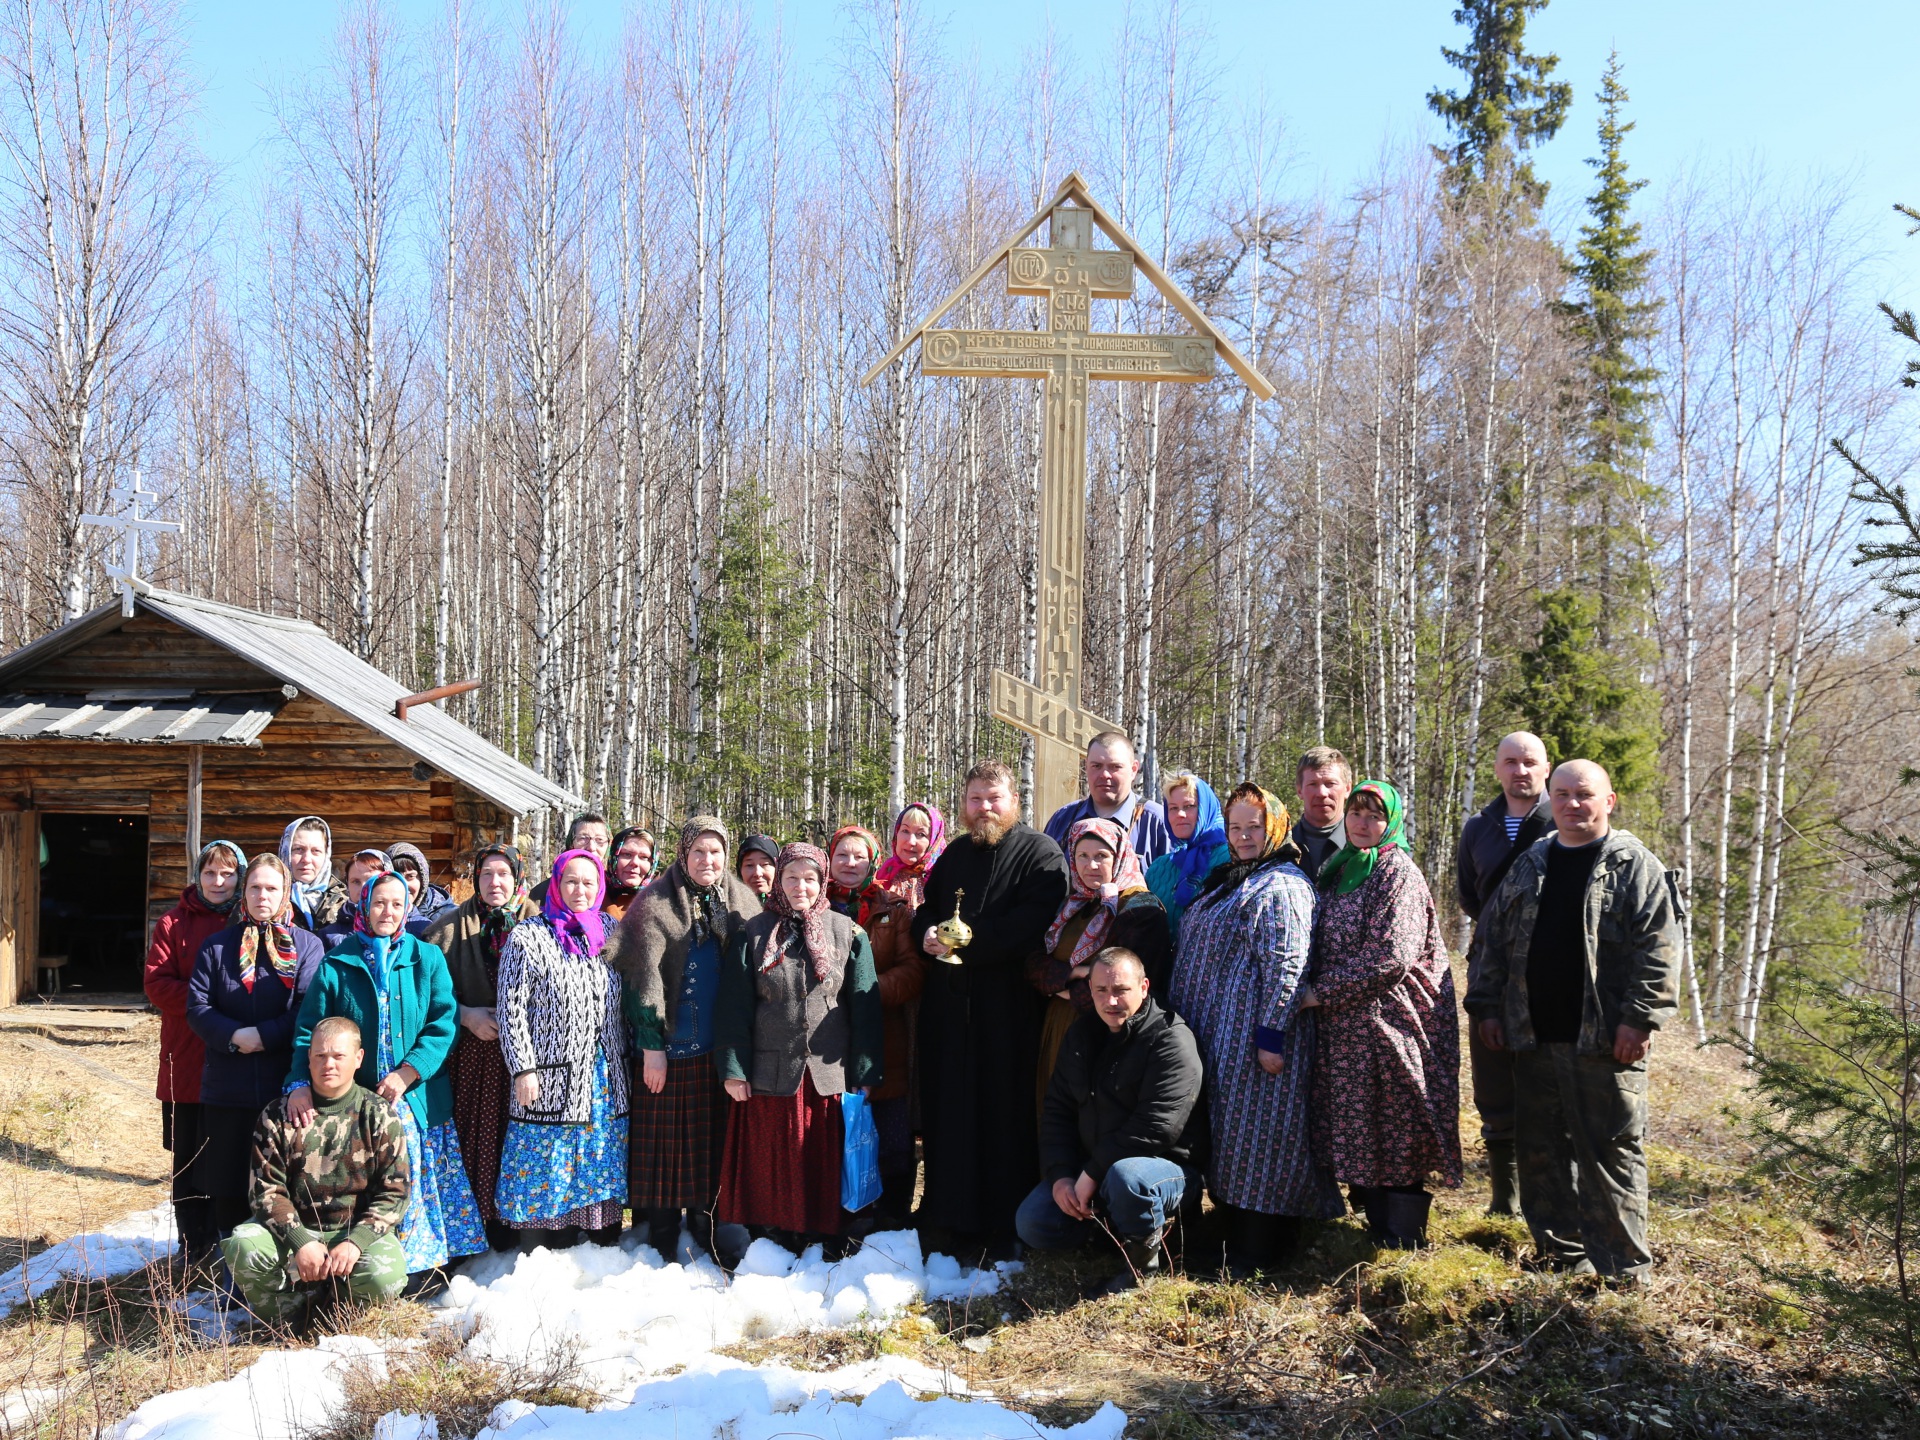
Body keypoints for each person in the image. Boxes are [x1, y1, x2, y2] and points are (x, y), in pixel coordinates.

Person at [1466, 760, 1681, 1280]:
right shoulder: (1532, 863)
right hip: (1532, 1038)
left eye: (1583, 794)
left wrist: (1640, 1020)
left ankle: (1624, 1272)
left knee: (1612, 1155)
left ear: (1609, 800)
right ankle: (1563, 1259)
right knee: (1542, 1156)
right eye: (1561, 794)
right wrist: (1489, 1007)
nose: (1571, 804)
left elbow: (1658, 950)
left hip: (1604, 1043)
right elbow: (1493, 939)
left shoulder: (1634, 866)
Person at [1172, 784, 1342, 1276]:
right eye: (1235, 827)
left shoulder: (1282, 885)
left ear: (1276, 829)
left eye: (1254, 827)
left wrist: (1272, 1037)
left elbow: (1288, 966)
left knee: (1262, 1142)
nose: (1244, 837)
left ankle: (1260, 1249)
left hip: (1258, 1040)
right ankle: (1232, 1235)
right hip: (1220, 1038)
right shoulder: (1232, 878)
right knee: (1231, 1141)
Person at [287, 871, 486, 1286]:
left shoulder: (425, 957)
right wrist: (298, 1083)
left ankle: (425, 1268)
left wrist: (406, 1073)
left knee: (414, 1170)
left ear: (408, 907)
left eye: (397, 904)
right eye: (379, 903)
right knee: (369, 1175)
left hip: (414, 1094)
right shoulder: (339, 962)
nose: (388, 912)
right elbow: (310, 1031)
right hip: (357, 1100)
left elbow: (442, 1023)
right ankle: (371, 1265)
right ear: (364, 904)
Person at [914, 760, 1069, 1258]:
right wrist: (927, 935)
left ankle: (1004, 1226)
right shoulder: (955, 853)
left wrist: (966, 943)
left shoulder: (1040, 853)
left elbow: (1031, 924)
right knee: (951, 1112)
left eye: (993, 798)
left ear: (1013, 802)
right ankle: (949, 1216)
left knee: (1003, 1114)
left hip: (1008, 1013)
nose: (984, 809)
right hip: (950, 1010)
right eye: (975, 798)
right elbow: (928, 906)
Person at [1303, 780, 1462, 1249]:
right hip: (1346, 1025)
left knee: (1396, 1124)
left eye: (1374, 815)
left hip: (1392, 1024)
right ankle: (1374, 1226)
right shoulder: (1341, 868)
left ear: (1390, 821)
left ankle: (1403, 1239)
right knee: (1359, 1124)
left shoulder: (1397, 872)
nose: (1362, 823)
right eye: (1356, 813)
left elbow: (1391, 956)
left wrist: (1320, 992)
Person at [715, 843, 881, 1250]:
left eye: (809, 878)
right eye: (792, 877)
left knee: (821, 1160)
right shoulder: (751, 934)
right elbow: (733, 1009)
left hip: (828, 1074)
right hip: (771, 1075)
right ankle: (773, 1241)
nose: (800, 886)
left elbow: (865, 1008)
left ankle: (826, 1238)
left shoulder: (848, 933)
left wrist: (865, 1071)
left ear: (822, 881)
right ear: (779, 880)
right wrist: (734, 1069)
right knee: (773, 1164)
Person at [611, 817, 762, 1258]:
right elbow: (642, 979)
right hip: (670, 1050)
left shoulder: (740, 900)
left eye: (715, 851)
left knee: (710, 1150)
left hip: (720, 1051)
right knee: (663, 1156)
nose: (707, 860)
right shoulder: (655, 901)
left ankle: (706, 1228)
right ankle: (660, 1243)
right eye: (698, 851)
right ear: (683, 853)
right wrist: (653, 1047)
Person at [1017, 949, 1204, 1293]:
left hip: (1165, 1168)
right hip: (1097, 1168)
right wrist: (1060, 1176)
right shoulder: (1082, 1034)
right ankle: (1107, 1233)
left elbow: (1156, 1127)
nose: (1111, 1000)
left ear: (1144, 987)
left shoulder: (1170, 1040)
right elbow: (1057, 1110)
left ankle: (1144, 1268)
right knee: (1033, 1222)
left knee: (1128, 1179)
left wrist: (1091, 1173)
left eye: (1121, 990)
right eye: (1100, 990)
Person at [224, 1017, 409, 1328]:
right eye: (320, 1056)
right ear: (308, 1058)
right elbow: (266, 1191)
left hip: (353, 1235)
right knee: (244, 1245)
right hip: (296, 1231)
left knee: (385, 1276)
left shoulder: (378, 1114)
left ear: (358, 1058)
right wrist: (300, 1240)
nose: (329, 1065)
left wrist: (357, 1241)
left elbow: (396, 1191)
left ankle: (342, 1316)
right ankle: (291, 1315)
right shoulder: (277, 1115)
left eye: (339, 1056)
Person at [187, 854, 327, 1237]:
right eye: (254, 887)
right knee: (228, 1184)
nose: (262, 895)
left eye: (271, 888)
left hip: (281, 1087)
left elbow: (307, 1007)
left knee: (283, 1183)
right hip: (225, 1087)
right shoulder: (217, 948)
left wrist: (264, 1036)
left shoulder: (307, 946)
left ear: (286, 894)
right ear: (243, 893)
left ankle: (284, 1271)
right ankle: (232, 1276)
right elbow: (197, 1006)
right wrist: (234, 1036)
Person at [495, 850, 629, 1247]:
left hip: (604, 1075)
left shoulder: (609, 929)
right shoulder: (529, 935)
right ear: (555, 883)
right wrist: (522, 1068)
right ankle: (543, 1249)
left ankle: (600, 1246)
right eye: (571, 881)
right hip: (549, 1074)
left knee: (598, 1156)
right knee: (546, 1159)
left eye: (589, 882)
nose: (580, 890)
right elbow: (511, 1007)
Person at [1455, 731, 1553, 1217]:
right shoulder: (1479, 826)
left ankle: (1547, 1195)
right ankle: (1504, 1197)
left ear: (1546, 767)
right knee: (1494, 1080)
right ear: (1497, 769)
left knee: (1547, 1081)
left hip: (1551, 972)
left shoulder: (1564, 817)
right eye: (1510, 762)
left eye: (1530, 762)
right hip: (1490, 971)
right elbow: (1470, 896)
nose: (1521, 771)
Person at [426, 843, 535, 1252]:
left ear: (518, 877)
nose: (495, 882)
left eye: (504, 874)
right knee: (476, 1138)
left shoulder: (539, 923)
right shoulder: (447, 929)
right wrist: (467, 1015)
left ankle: (519, 1226)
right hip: (472, 1055)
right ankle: (476, 1229)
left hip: (525, 1058)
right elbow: (427, 996)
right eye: (487, 874)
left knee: (520, 1138)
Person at [145, 839, 246, 1268]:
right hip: (187, 1054)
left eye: (227, 874)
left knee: (229, 1146)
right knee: (189, 1152)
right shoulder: (174, 921)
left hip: (237, 1056)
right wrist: (207, 1000)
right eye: (210, 873)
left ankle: (231, 1241)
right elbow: (157, 983)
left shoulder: (249, 919)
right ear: (198, 875)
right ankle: (193, 1244)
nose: (218, 882)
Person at [1027, 818, 1171, 1104]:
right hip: (1058, 1026)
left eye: (1101, 856)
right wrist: (1074, 974)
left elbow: (1129, 986)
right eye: (1082, 856)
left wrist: (1063, 988)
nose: (1090, 865)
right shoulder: (1071, 905)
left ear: (1119, 856)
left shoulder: (1139, 909)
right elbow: (1033, 964)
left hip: (1106, 1032)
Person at [826, 823, 924, 1223]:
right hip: (827, 1039)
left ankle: (893, 1218)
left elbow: (913, 971)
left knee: (892, 1136)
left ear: (873, 861)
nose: (850, 864)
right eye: (842, 855)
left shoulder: (893, 909)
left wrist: (864, 989)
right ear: (829, 860)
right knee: (833, 1132)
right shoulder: (813, 906)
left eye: (859, 856)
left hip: (885, 1038)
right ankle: (840, 1216)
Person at [1043, 731, 1174, 867]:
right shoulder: (1062, 820)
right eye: (1096, 766)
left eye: (1115, 767)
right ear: (1086, 767)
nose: (1105, 775)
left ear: (1134, 769)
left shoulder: (1159, 823)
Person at [1143, 771, 1228, 934]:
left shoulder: (1230, 859)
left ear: (1206, 809)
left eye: (1189, 806)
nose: (1180, 814)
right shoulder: (1159, 867)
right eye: (1173, 808)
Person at [1290, 747, 1352, 884]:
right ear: (1299, 790)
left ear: (1348, 789)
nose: (1322, 793)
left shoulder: (1361, 847)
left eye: (1330, 783)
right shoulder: (1282, 848)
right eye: (1313, 784)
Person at [280, 816, 348, 933]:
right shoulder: (271, 899)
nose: (306, 859)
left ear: (326, 855)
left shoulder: (344, 903)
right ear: (285, 852)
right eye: (298, 849)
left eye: (316, 851)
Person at [875, 802, 947, 912]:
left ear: (934, 840)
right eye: (905, 831)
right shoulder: (884, 873)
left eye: (921, 834)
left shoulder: (943, 879)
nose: (910, 841)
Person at [529, 815, 613, 907]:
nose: (591, 847)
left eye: (599, 840)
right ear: (571, 843)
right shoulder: (542, 893)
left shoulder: (614, 891)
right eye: (583, 838)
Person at [319, 849, 392, 950]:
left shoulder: (405, 929)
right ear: (347, 884)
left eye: (372, 881)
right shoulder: (329, 935)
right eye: (356, 882)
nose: (363, 889)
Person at [388, 842, 458, 933]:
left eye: (410, 876)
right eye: (396, 877)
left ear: (423, 880)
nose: (403, 885)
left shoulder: (448, 918)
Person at [605, 827, 657, 921]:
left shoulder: (664, 899)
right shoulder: (593, 892)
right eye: (627, 854)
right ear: (613, 857)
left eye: (644, 857)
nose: (635, 862)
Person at [735, 834, 778, 906]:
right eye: (749, 865)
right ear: (740, 869)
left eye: (765, 864)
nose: (757, 873)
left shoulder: (793, 907)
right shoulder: (728, 907)